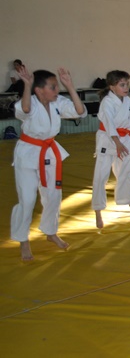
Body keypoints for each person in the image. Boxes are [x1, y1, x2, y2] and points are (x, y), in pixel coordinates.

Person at [10, 66, 86, 261]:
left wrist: (70, 86)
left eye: (57, 86)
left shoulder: (58, 102)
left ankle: (51, 232)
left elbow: (79, 111)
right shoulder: (30, 103)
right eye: (53, 87)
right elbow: (25, 110)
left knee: (53, 195)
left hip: (50, 152)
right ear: (39, 90)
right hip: (28, 153)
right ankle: (23, 239)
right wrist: (27, 85)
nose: (56, 90)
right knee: (27, 199)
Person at [92, 70, 130, 229]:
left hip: (124, 139)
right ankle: (98, 209)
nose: (126, 88)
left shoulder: (128, 101)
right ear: (112, 87)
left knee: (126, 172)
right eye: (122, 85)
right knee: (101, 176)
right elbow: (109, 124)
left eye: (127, 84)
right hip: (107, 140)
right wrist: (117, 143)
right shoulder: (107, 102)